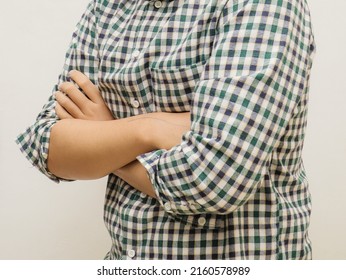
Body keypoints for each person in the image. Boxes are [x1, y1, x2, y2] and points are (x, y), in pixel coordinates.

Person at [16, 0, 316, 259]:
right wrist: (147, 128)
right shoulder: (106, 7)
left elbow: (213, 178)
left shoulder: (263, 5)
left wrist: (105, 134)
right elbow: (49, 148)